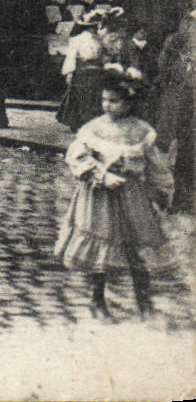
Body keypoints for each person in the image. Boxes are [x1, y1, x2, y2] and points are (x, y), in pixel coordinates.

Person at [54, 69, 174, 319]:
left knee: (136, 249)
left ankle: (145, 301)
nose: (107, 105)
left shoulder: (142, 131)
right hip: (99, 196)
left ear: (130, 103)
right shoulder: (94, 129)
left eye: (114, 101)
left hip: (132, 195)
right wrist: (101, 176)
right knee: (101, 248)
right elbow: (77, 156)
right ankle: (97, 300)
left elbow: (156, 166)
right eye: (104, 100)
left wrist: (162, 192)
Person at [152, 9, 195, 213]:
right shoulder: (175, 44)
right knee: (183, 153)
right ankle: (181, 199)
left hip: (184, 108)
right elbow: (164, 72)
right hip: (181, 110)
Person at [59, 11, 108, 132]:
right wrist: (70, 72)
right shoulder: (77, 39)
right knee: (80, 96)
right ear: (88, 26)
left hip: (96, 71)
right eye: (93, 26)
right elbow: (71, 56)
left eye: (96, 26)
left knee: (95, 97)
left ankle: (93, 122)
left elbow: (103, 56)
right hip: (82, 71)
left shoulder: (100, 39)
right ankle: (78, 122)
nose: (95, 28)